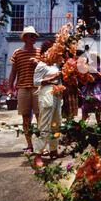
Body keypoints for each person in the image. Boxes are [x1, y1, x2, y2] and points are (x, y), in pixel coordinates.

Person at [8, 26, 40, 153]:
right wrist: (10, 88)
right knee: (25, 118)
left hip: (37, 88)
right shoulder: (17, 53)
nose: (33, 38)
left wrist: (38, 63)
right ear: (25, 38)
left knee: (40, 117)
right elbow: (13, 72)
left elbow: (45, 70)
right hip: (22, 88)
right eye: (31, 36)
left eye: (34, 36)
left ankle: (40, 145)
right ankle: (29, 145)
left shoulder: (39, 52)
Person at [33, 39, 62, 168]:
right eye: (53, 49)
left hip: (57, 93)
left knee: (56, 123)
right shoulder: (42, 65)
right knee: (44, 124)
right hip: (47, 93)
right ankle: (37, 155)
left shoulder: (55, 64)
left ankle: (53, 150)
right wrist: (52, 77)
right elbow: (36, 82)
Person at [81, 52, 101, 124]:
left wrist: (96, 72)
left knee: (97, 103)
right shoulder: (89, 64)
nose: (92, 58)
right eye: (91, 57)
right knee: (86, 104)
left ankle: (98, 122)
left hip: (97, 85)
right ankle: (82, 124)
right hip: (89, 85)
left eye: (93, 57)